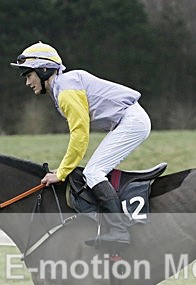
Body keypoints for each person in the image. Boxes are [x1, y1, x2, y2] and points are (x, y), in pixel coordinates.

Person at [11, 42, 151, 246]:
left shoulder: (66, 90)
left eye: (28, 75)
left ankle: (119, 230)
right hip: (127, 120)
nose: (27, 82)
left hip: (131, 121)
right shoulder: (63, 87)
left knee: (93, 172)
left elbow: (79, 135)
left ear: (43, 70)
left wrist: (61, 172)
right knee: (95, 171)